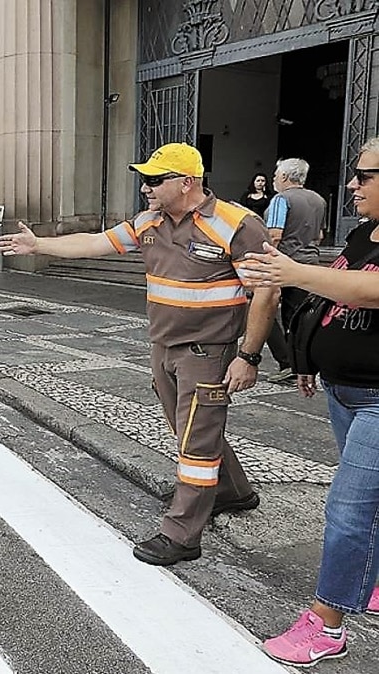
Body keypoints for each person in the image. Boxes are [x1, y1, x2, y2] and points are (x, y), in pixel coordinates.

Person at [0, 142, 279, 566]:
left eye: (154, 180)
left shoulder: (237, 225)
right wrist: (39, 246)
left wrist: (249, 356)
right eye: (143, 179)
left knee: (196, 443)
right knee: (192, 429)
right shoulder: (150, 221)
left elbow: (267, 291)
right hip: (163, 345)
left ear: (187, 183)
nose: (145, 188)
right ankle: (233, 492)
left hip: (207, 351)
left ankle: (183, 534)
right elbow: (95, 243)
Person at [241, 138, 379, 668]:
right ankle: (369, 582)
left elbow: (366, 291)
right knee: (368, 503)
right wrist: (307, 357)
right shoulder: (364, 233)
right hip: (347, 391)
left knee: (349, 510)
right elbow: (336, 297)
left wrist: (292, 272)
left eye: (363, 176)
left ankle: (327, 626)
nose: (351, 185)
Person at [261, 158, 329, 385]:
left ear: (284, 177)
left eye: (275, 175)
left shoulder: (282, 199)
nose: (273, 180)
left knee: (279, 315)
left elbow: (275, 235)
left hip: (288, 263)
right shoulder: (318, 200)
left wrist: (266, 264)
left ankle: (289, 364)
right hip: (311, 262)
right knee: (305, 317)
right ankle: (303, 365)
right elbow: (319, 235)